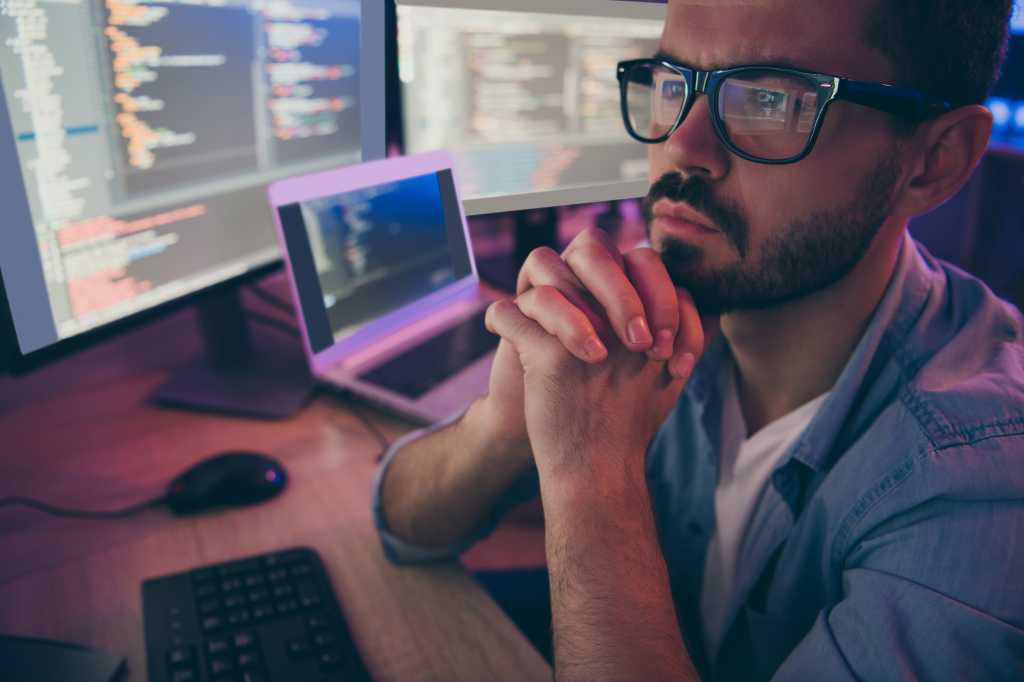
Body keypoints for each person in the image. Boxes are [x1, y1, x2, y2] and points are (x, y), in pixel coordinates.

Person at [372, 0, 1024, 679]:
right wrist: (504, 428)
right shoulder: (648, 324)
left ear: (934, 162)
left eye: (771, 99)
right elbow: (402, 524)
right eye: (670, 81)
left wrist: (591, 473)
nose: (681, 145)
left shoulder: (987, 489)